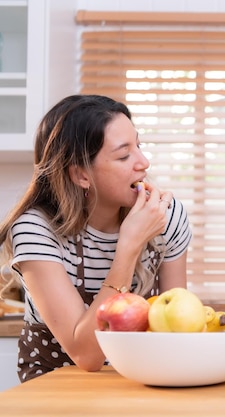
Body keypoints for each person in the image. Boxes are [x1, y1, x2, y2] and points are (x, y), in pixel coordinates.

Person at [0, 94, 192, 382]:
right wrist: (128, 246)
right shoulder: (36, 229)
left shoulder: (165, 217)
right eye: (124, 155)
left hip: (140, 385)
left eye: (138, 146)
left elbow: (176, 332)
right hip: (54, 393)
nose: (144, 162)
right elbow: (87, 355)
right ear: (81, 175)